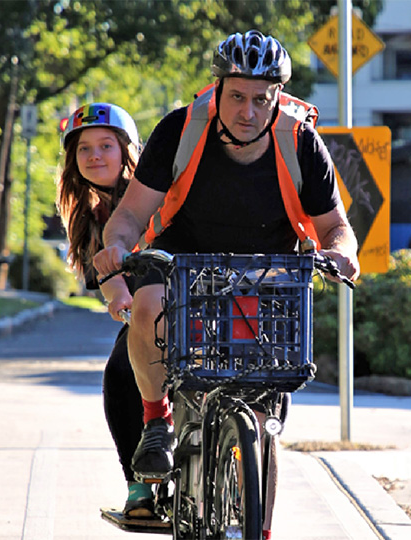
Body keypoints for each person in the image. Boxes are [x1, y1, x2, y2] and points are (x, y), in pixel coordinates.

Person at [94, 30, 360, 539]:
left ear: (278, 97)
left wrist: (341, 254)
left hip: (267, 273)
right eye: (237, 96)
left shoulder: (302, 142)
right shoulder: (180, 130)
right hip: (182, 260)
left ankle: (256, 505)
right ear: (217, 90)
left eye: (262, 98)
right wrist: (118, 245)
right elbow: (129, 216)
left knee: (265, 404)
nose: (248, 111)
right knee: (149, 303)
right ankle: (156, 424)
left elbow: (336, 227)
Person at [56, 103, 153, 518]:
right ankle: (139, 489)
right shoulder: (90, 214)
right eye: (84, 149)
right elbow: (108, 276)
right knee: (120, 371)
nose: (94, 155)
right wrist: (118, 297)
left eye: (106, 145)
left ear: (127, 150)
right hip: (144, 315)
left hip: (190, 299)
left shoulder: (157, 192)